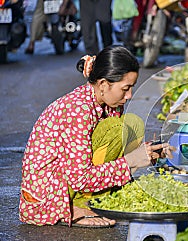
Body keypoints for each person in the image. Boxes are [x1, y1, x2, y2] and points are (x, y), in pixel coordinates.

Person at [19, 45, 173, 228]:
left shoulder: (108, 102)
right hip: (46, 196)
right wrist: (131, 161)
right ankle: (75, 206)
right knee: (118, 128)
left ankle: (95, 198)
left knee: (133, 124)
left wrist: (150, 151)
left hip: (71, 177)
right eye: (126, 88)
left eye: (132, 87)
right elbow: (80, 178)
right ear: (103, 84)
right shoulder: (79, 110)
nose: (130, 95)